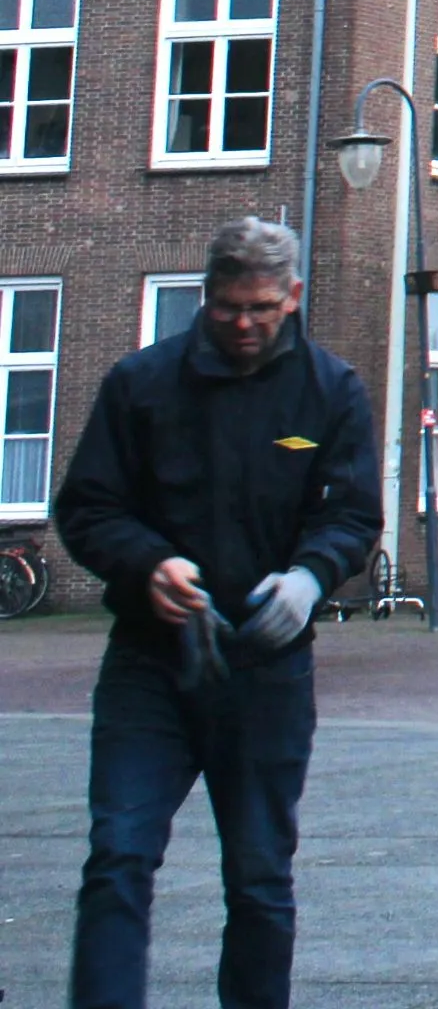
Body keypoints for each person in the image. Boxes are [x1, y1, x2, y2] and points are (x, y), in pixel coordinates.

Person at [54, 215, 378, 1009]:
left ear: (293, 298)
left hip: (266, 671)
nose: (243, 324)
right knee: (118, 857)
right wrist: (146, 562)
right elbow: (88, 508)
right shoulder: (142, 384)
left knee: (260, 876)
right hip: (150, 662)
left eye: (262, 308)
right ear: (205, 296)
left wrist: (310, 578)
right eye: (229, 306)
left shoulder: (329, 391)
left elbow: (352, 515)